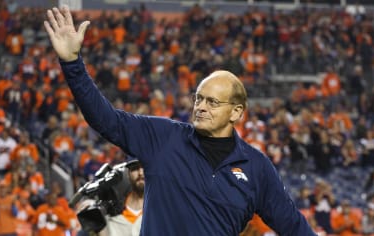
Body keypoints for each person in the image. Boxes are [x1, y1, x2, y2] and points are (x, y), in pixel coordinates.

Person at [44, 6, 316, 235]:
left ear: (236, 112)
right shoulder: (164, 137)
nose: (201, 107)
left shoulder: (256, 168)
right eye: (199, 98)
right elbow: (106, 120)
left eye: (213, 102)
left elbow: (293, 226)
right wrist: (72, 64)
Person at [99, 158, 144, 236]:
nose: (140, 173)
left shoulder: (160, 209)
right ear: (127, 173)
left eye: (145, 168)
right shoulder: (113, 209)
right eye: (135, 168)